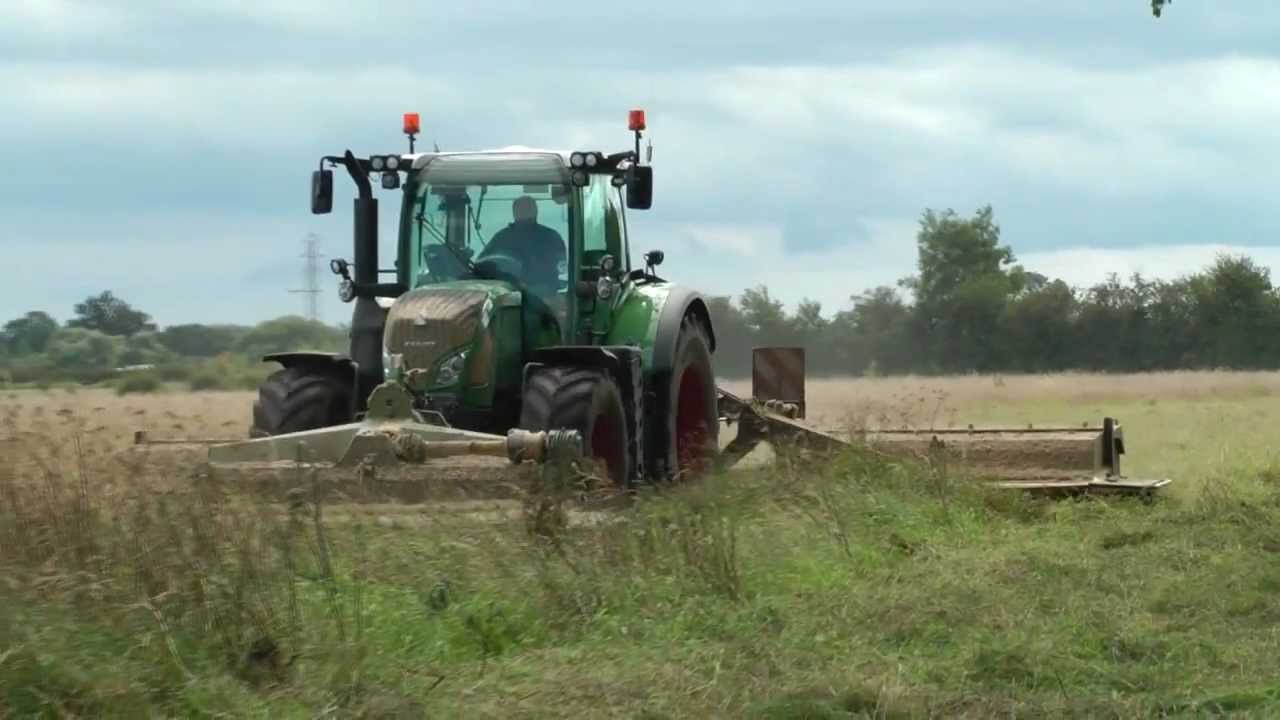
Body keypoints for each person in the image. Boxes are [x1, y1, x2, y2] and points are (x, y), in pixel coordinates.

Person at [479, 196, 565, 294]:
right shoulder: (502, 238)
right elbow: (484, 266)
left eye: (528, 209)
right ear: (514, 212)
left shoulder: (551, 237)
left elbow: (562, 267)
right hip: (510, 296)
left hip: (545, 297)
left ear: (535, 211)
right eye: (522, 209)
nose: (525, 213)